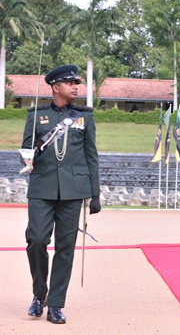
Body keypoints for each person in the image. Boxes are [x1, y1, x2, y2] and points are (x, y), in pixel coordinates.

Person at [22, 64, 101, 324]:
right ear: (56, 87)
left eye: (76, 83)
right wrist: (30, 153)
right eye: (70, 83)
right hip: (42, 187)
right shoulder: (36, 115)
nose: (76, 87)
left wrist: (95, 193)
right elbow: (25, 154)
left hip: (73, 190)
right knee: (36, 239)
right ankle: (38, 294)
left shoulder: (84, 117)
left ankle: (55, 303)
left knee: (65, 248)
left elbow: (92, 156)